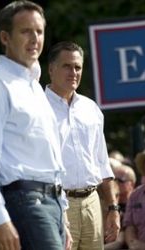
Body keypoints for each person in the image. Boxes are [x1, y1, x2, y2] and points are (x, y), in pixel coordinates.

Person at [0, 1, 70, 250]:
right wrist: (0, 220)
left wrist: (61, 214)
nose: (35, 39)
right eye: (25, 31)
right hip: (22, 200)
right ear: (5, 37)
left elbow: (49, 159)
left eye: (39, 31)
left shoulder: (34, 86)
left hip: (49, 202)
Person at [45, 41, 119, 250]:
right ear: (51, 69)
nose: (73, 72)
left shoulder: (91, 108)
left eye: (77, 67)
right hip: (56, 204)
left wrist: (113, 208)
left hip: (92, 203)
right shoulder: (37, 107)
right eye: (66, 66)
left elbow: (102, 162)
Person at [105, 165, 136, 250]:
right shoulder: (107, 203)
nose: (115, 183)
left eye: (119, 180)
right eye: (113, 180)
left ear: (132, 184)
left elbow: (119, 242)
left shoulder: (136, 205)